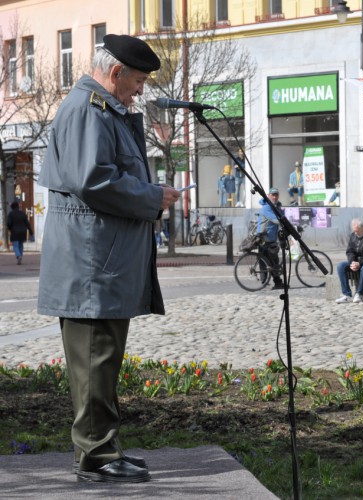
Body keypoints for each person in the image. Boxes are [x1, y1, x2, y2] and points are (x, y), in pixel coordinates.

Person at [36, 34, 181, 483]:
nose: (140, 90)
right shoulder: (87, 110)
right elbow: (93, 180)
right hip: (90, 265)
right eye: (137, 81)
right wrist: (152, 196)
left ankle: (101, 449)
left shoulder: (102, 109)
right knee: (96, 361)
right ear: (115, 73)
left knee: (102, 362)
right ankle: (96, 455)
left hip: (99, 261)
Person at [257, 188, 284, 290]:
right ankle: (271, 282)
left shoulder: (276, 206)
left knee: (271, 261)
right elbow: (276, 220)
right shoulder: (266, 208)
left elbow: (283, 216)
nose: (275, 197)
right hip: (265, 237)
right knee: (271, 261)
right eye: (272, 195)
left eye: (276, 195)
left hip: (271, 237)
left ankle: (270, 282)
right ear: (268, 196)